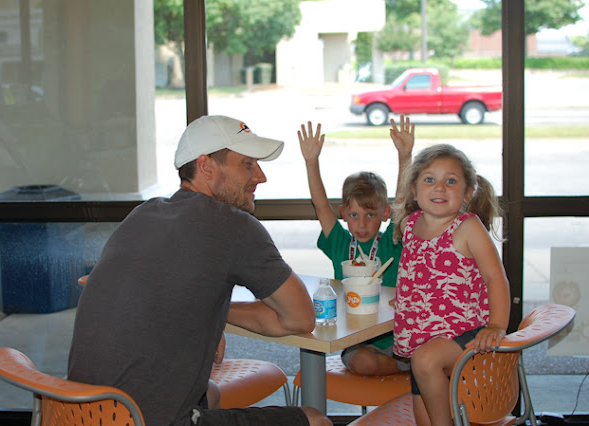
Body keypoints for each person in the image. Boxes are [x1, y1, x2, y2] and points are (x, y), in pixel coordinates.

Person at [68, 115, 332, 426]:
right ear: (206, 166)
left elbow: (142, 292)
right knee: (315, 420)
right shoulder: (232, 225)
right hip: (149, 421)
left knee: (211, 393)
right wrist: (213, 313)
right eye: (248, 164)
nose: (261, 177)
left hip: (77, 414)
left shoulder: (143, 214)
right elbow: (301, 318)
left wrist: (209, 312)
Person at [391, 143, 511, 426]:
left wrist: (496, 326)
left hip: (467, 333)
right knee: (425, 419)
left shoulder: (468, 227)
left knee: (425, 360)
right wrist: (410, 295)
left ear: (468, 193)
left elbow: (496, 278)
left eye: (451, 181)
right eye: (429, 179)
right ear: (414, 190)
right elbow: (421, 271)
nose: (439, 187)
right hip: (421, 340)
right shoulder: (409, 225)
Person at [297, 116, 414, 376]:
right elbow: (320, 205)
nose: (361, 224)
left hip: (399, 338)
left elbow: (402, 200)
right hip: (357, 342)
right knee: (363, 362)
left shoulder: (392, 240)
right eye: (354, 215)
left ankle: (410, 368)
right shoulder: (339, 243)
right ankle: (409, 372)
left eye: (370, 215)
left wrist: (405, 156)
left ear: (385, 213)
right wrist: (311, 161)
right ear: (343, 214)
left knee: (428, 350)